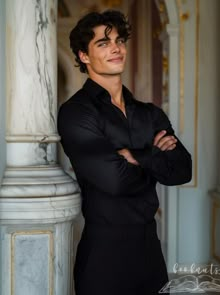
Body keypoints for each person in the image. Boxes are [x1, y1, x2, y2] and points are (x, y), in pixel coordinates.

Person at [58, 9, 192, 295]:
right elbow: (115, 181)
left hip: (150, 251)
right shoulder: (75, 113)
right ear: (84, 56)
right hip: (103, 254)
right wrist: (154, 155)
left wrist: (135, 156)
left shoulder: (150, 114)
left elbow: (182, 170)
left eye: (119, 40)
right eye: (103, 43)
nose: (116, 48)